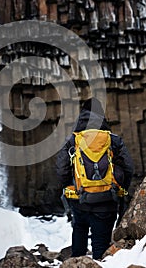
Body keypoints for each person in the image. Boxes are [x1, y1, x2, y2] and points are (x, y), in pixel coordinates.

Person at [56, 97, 134, 260]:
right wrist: (120, 190)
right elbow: (128, 167)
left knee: (79, 232)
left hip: (79, 200)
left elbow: (61, 169)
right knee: (100, 246)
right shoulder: (113, 139)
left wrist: (70, 188)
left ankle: (76, 262)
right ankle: (98, 261)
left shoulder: (73, 141)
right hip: (107, 200)